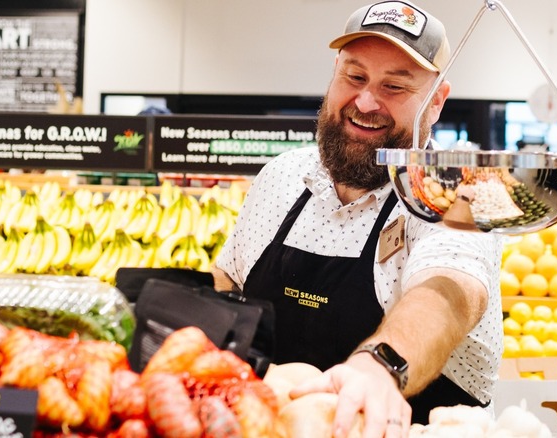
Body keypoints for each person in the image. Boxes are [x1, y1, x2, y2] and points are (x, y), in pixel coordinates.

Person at [212, 1, 503, 435]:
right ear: (334, 74)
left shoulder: (463, 190)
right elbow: (228, 281)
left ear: (437, 101)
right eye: (355, 76)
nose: (366, 102)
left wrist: (380, 368)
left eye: (395, 87)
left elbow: (449, 292)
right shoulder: (282, 176)